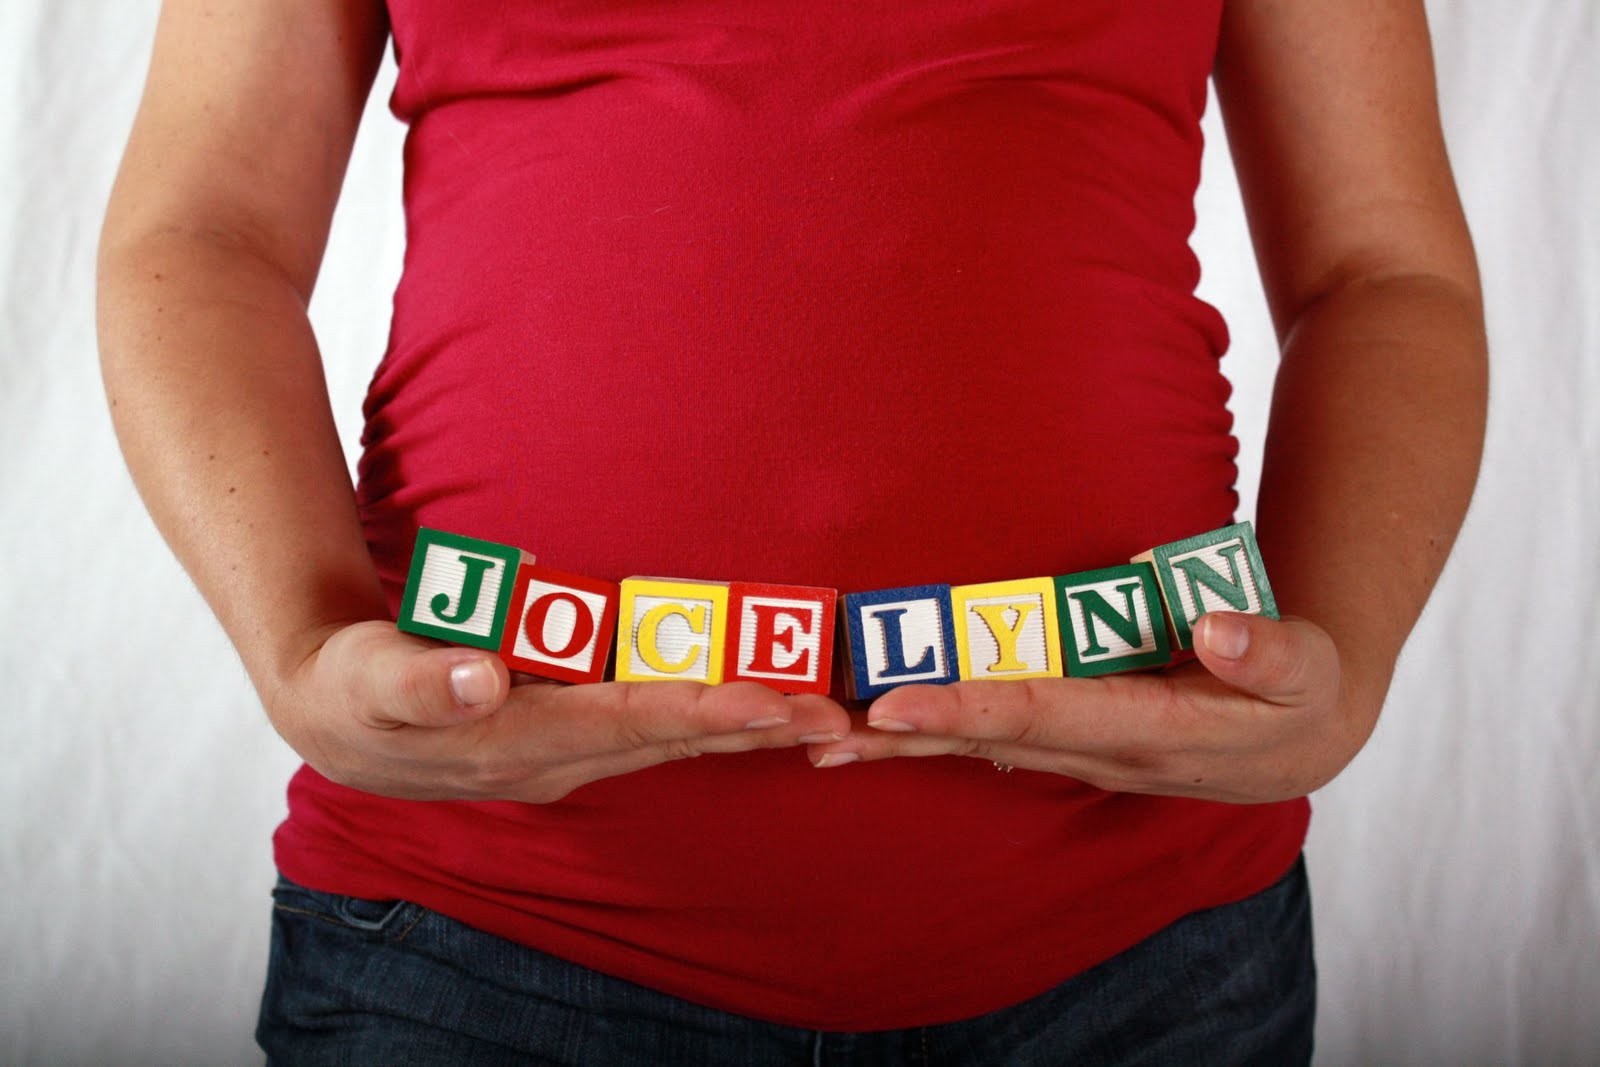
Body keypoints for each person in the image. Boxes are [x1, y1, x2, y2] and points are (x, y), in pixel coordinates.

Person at [97, 1, 1486, 1063]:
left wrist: (1345, 662)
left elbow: (1382, 269)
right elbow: (206, 234)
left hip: (1144, 942)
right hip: (473, 929)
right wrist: (296, 646)